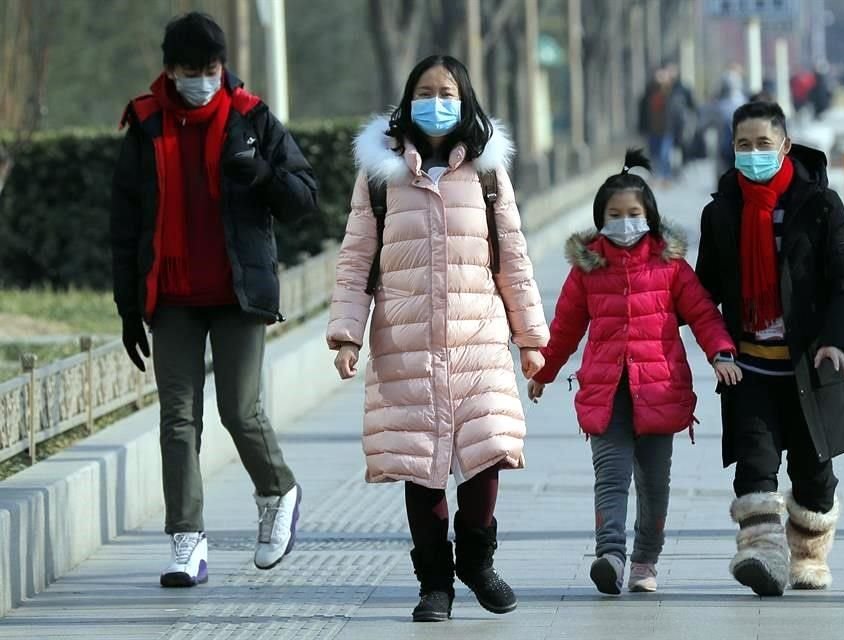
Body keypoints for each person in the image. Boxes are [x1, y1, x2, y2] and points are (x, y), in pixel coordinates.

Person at [326, 54, 549, 622]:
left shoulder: (488, 171)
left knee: (487, 454)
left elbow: (514, 259)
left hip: (478, 339)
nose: (436, 101)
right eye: (425, 91)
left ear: (465, 97)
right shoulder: (381, 175)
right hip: (407, 343)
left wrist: (530, 339)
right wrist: (347, 334)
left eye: (446, 91)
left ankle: (477, 561)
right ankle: (435, 585)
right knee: (420, 465)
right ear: (407, 99)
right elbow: (356, 261)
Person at [111, 12, 318, 587]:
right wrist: (129, 307)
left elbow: (305, 195)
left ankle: (279, 490)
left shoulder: (251, 119)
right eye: (189, 70)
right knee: (178, 420)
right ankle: (186, 540)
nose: (201, 79)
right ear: (169, 69)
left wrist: (261, 175)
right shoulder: (146, 126)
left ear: (222, 67)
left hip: (237, 292)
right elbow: (124, 226)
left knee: (239, 409)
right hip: (172, 297)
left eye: (210, 69)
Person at [527, 149, 739, 595]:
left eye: (633, 213)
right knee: (611, 477)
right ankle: (610, 556)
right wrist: (543, 372)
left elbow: (703, 314)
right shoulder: (587, 269)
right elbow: (564, 327)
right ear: (600, 219)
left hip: (660, 391)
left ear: (650, 216)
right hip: (607, 395)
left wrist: (721, 353)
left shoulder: (670, 265)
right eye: (615, 214)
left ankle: (645, 559)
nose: (625, 222)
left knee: (654, 486)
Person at [695, 101, 844, 597]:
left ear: (784, 145)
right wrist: (716, 346)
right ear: (731, 149)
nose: (753, 153)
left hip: (809, 367)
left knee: (813, 475)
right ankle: (761, 554)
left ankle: (807, 556)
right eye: (742, 145)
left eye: (762, 144)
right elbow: (701, 293)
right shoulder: (720, 214)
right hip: (751, 368)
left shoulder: (819, 206)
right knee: (754, 465)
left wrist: (837, 342)